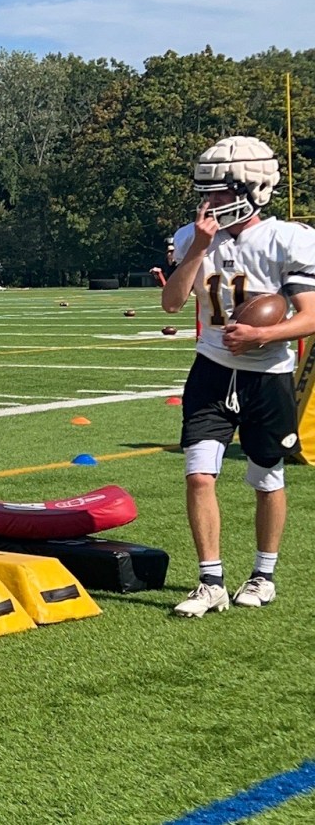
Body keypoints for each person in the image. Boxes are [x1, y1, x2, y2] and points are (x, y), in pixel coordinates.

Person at [162, 135, 315, 617]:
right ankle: (210, 581)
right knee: (199, 476)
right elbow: (171, 303)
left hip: (267, 375)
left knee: (265, 477)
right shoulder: (191, 236)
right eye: (205, 193)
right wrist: (197, 250)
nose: (211, 203)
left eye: (222, 193)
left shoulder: (289, 238)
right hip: (211, 368)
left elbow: (311, 315)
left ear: (254, 188)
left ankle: (263, 574)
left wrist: (263, 336)